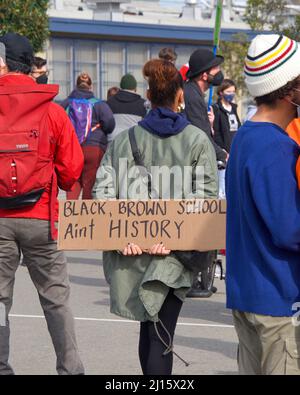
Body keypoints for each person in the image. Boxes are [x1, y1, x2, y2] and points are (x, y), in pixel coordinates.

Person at [93, 59, 218, 375]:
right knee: (161, 333)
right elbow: (205, 201)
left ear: (148, 95)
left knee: (149, 330)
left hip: (131, 254)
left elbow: (102, 195)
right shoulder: (198, 141)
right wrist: (173, 238)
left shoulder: (123, 141)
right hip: (174, 254)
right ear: (180, 96)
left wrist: (122, 238)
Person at [0, 32, 84, 375]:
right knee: (56, 300)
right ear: (31, 67)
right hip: (41, 218)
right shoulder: (52, 111)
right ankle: (70, 369)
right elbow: (71, 170)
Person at [226, 34, 300, 375]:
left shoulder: (246, 136)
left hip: (247, 292)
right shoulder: (275, 147)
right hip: (277, 298)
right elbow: (289, 230)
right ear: (289, 90)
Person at [184, 48, 226, 298]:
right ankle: (191, 277)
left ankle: (197, 275)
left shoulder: (193, 93)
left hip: (195, 163)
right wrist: (222, 154)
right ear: (204, 74)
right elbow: (199, 133)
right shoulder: (192, 95)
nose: (219, 73)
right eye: (215, 69)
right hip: (193, 168)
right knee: (198, 221)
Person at [61, 72, 115, 199]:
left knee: (73, 184)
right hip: (93, 149)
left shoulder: (66, 103)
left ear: (76, 85)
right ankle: (86, 217)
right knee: (90, 184)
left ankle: (70, 215)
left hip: (72, 149)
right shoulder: (99, 104)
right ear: (91, 87)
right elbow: (110, 124)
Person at [213, 79, 241, 198]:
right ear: (221, 92)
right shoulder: (216, 108)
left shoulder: (234, 108)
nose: (231, 94)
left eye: (233, 91)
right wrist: (222, 150)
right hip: (224, 151)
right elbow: (216, 132)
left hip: (234, 149)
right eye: (228, 91)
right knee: (222, 187)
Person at [106, 73, 146, 143]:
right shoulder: (143, 104)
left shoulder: (109, 102)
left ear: (121, 87)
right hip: (133, 143)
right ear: (135, 88)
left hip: (113, 142)